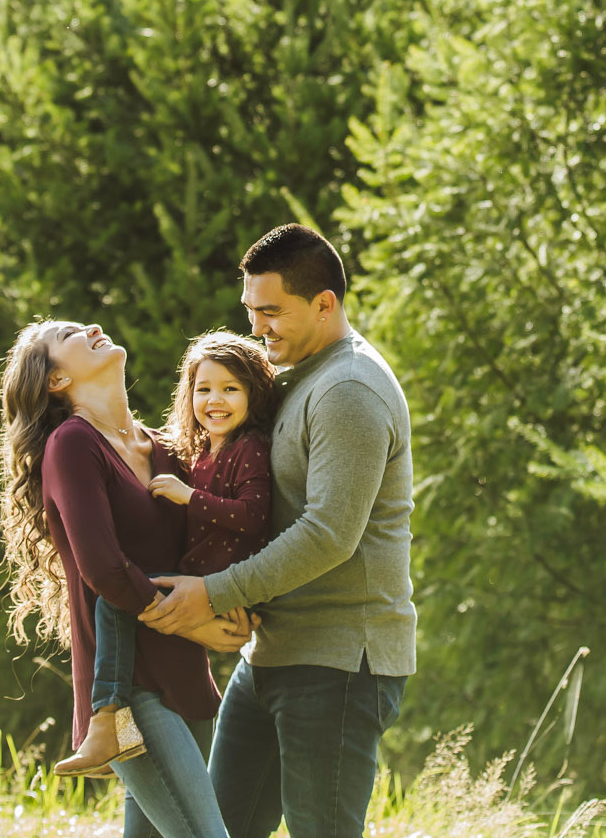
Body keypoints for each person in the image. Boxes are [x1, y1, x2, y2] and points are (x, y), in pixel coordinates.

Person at [143, 224, 416, 838]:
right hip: (272, 651)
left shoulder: (348, 389)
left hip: (339, 659)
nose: (258, 328)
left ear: (325, 304)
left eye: (272, 312)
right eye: (250, 311)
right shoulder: (295, 377)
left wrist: (216, 593)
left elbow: (328, 534)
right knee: (221, 828)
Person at [0, 318, 248, 838]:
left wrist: (233, 601)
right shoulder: (72, 444)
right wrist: (194, 624)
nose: (91, 326)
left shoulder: (166, 449)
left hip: (190, 683)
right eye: (67, 336)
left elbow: (202, 553)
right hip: (126, 692)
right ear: (56, 381)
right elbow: (104, 569)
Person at [58, 330, 277, 776]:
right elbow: (105, 569)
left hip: (219, 583)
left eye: (231, 388)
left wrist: (188, 498)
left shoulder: (229, 450)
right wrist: (195, 621)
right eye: (204, 389)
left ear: (254, 396)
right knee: (112, 601)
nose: (215, 399)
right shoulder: (189, 452)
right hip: (184, 612)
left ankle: (105, 717)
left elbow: (253, 515)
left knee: (115, 601)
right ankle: (106, 718)